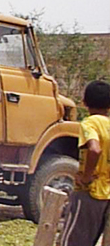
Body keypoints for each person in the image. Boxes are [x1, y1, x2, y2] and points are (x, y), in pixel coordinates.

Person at [60, 80, 110, 246]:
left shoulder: (89, 123)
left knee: (74, 241)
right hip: (107, 193)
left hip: (90, 192)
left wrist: (87, 177)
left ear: (85, 102)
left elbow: (95, 150)